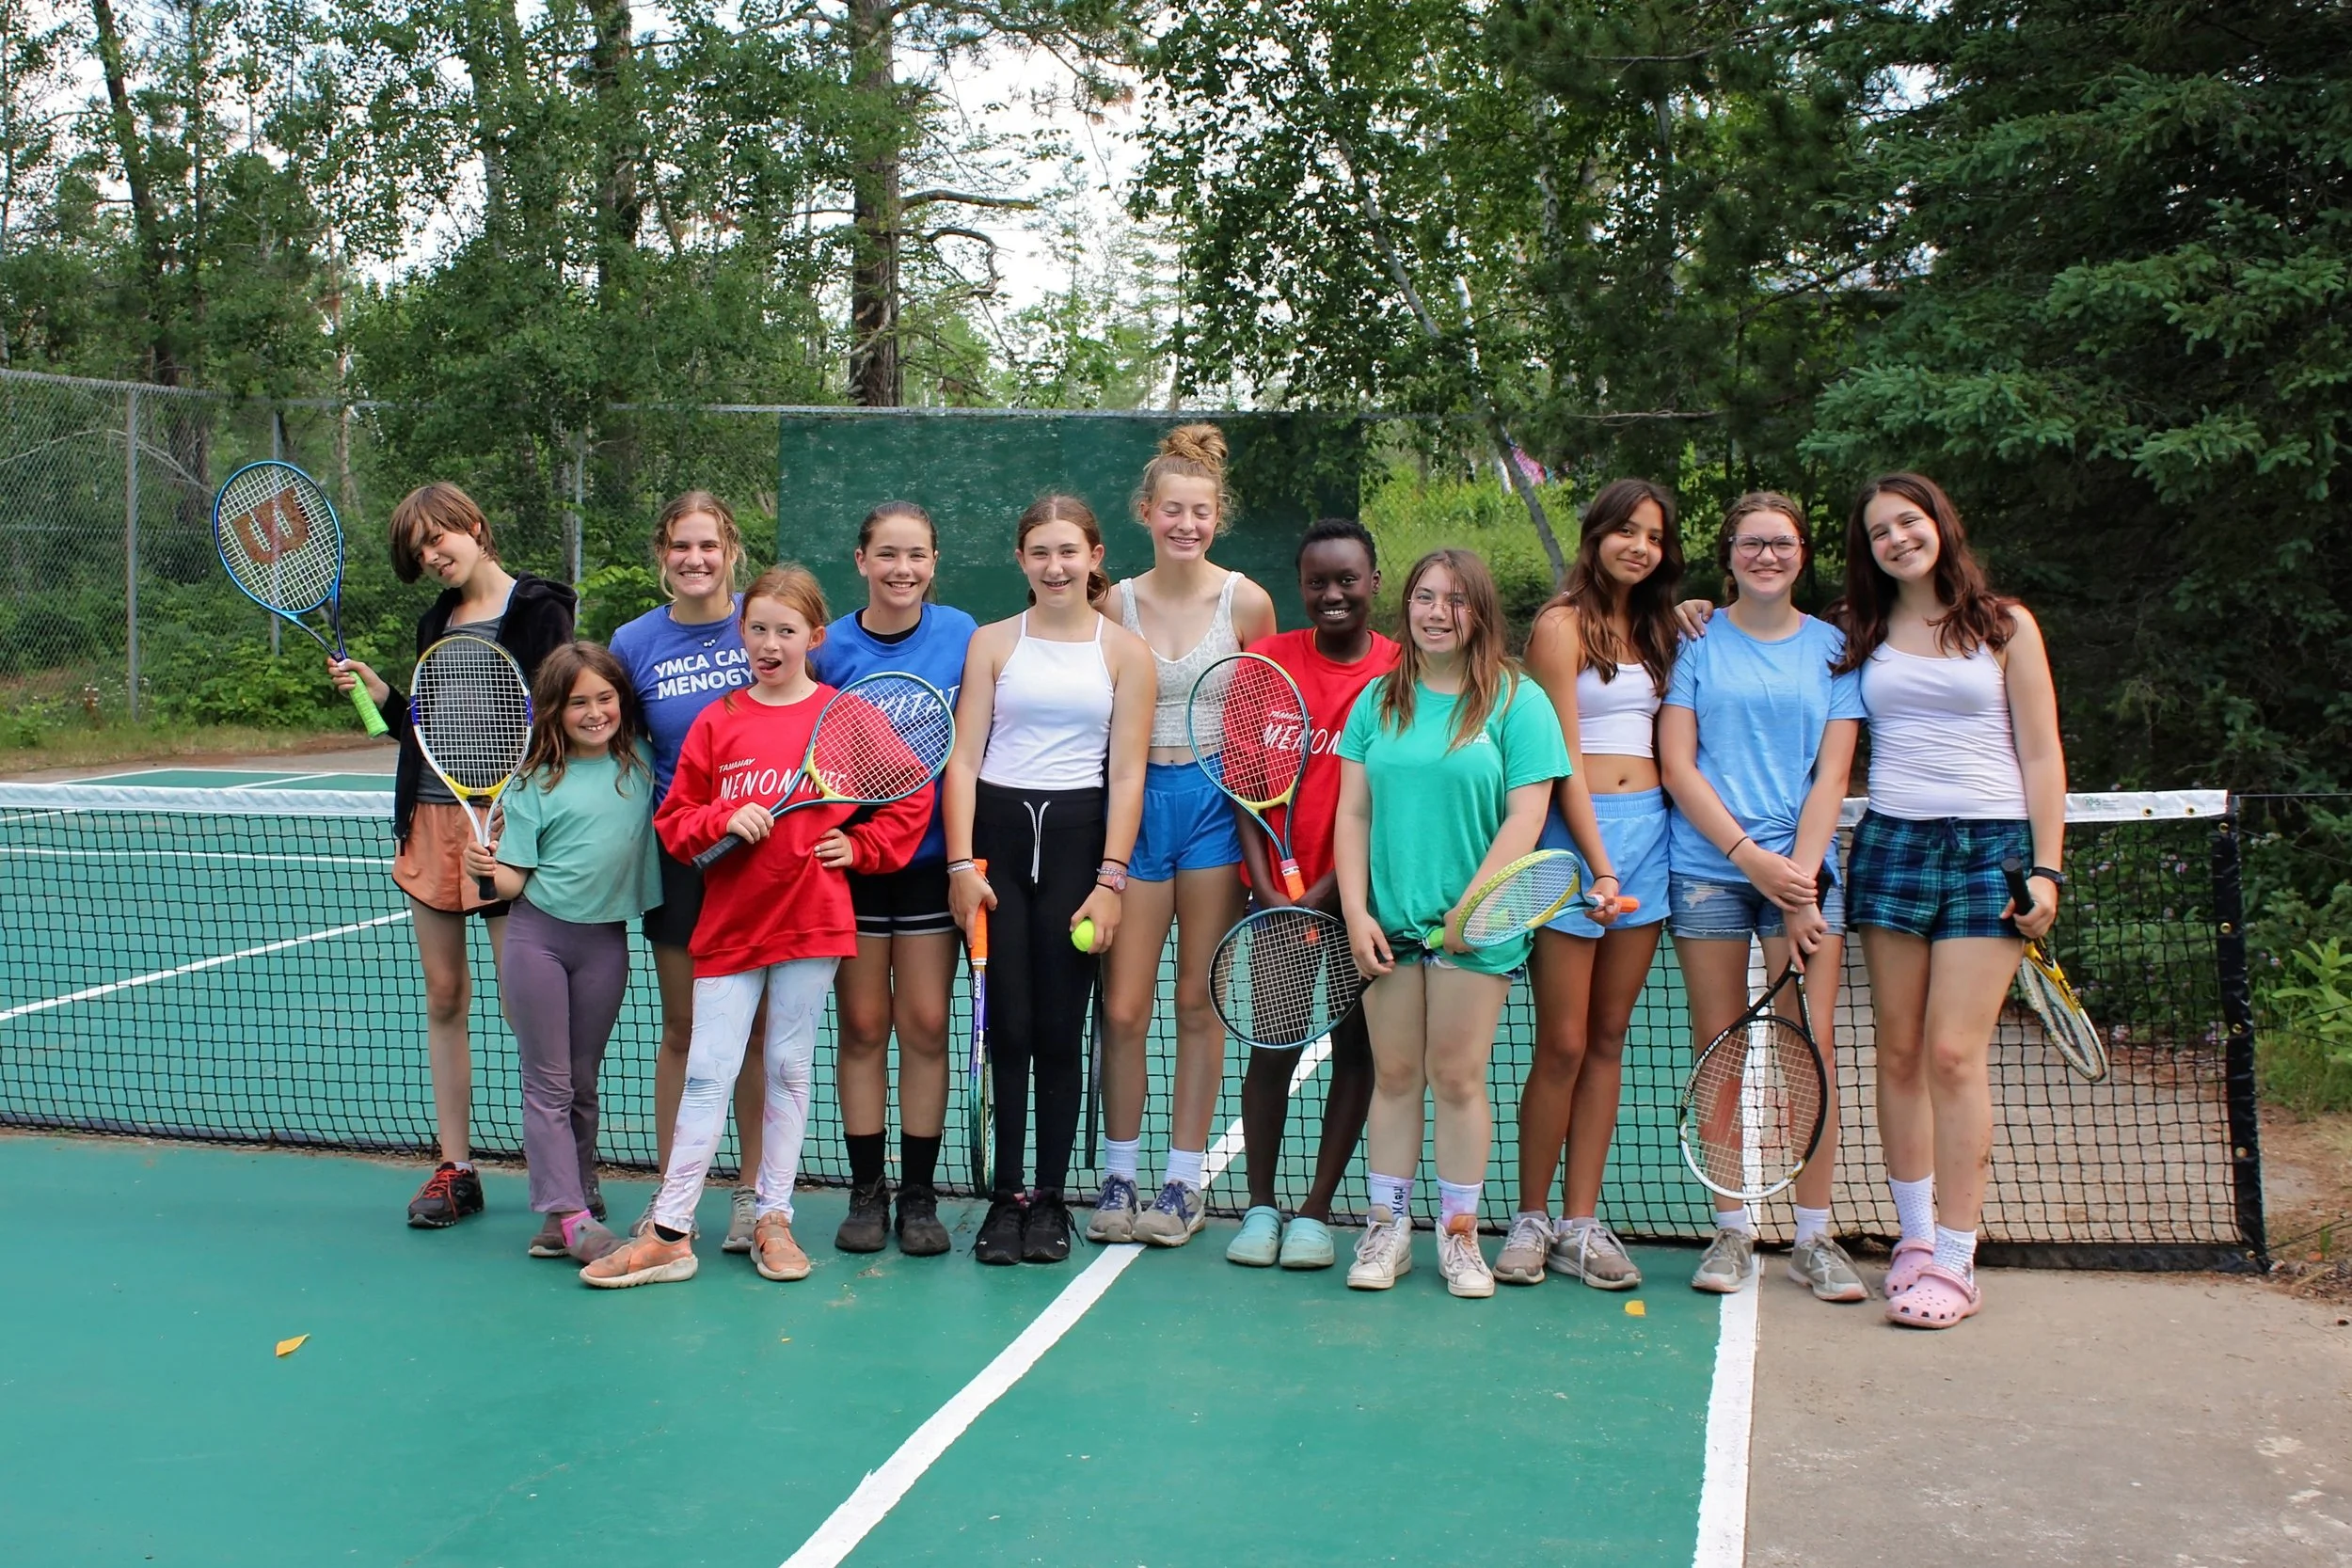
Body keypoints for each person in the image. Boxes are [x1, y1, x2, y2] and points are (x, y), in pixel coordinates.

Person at [582, 566, 930, 1289]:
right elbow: (676, 821)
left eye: (787, 630)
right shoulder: (720, 719)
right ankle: (673, 1230)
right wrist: (721, 817)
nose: (770, 644)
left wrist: (861, 848)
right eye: (759, 629)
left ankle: (774, 1217)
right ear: (742, 632)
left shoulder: (845, 715)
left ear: (814, 638)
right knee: (709, 1070)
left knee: (787, 1068)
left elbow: (909, 793)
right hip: (731, 922)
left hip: (812, 919)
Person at [1837, 473, 2065, 1329]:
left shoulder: (2006, 625)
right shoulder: (1859, 630)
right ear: (1870, 551)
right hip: (1892, 846)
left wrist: (2046, 870)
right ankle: (1918, 1239)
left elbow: (2042, 755)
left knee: (1951, 1056)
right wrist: (1694, 613)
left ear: (1939, 525)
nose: (1898, 537)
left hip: (1990, 852)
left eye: (1910, 520)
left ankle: (1960, 1259)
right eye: (1881, 531)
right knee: (1895, 1054)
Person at [1336, 549, 1589, 1299]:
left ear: (1480, 611)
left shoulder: (1518, 701)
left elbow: (1528, 814)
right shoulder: (1378, 702)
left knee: (1456, 1077)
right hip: (1388, 924)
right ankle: (1387, 1229)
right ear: (1405, 606)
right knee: (1395, 1075)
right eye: (1423, 596)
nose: (1436, 611)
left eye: (1454, 599)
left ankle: (1459, 1236)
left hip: (1477, 930)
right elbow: (1353, 812)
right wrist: (1356, 911)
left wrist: (1470, 911)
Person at [330, 483, 575, 1228]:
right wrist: (382, 695)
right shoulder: (434, 619)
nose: (434, 557)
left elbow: (555, 716)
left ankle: (562, 1170)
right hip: (432, 821)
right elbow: (430, 729)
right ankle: (455, 1167)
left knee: (522, 1004)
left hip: (505, 830)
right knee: (444, 995)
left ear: (475, 524)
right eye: (420, 551)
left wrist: (522, 823)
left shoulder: (540, 609)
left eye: (441, 539)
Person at [1659, 492, 1867, 1303]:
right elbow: (1679, 766)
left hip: (1800, 883)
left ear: (1803, 553)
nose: (1767, 556)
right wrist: (1750, 858)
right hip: (1708, 869)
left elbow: (1834, 773)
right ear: (1730, 553)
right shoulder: (1698, 643)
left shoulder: (1835, 648)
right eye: (1752, 543)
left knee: (1806, 1051)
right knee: (1720, 1050)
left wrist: (1799, 880)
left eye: (1782, 543)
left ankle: (1814, 1238)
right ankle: (1732, 1228)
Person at [943, 496, 1153, 1265]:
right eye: (1039, 551)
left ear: (1096, 555)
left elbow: (1127, 773)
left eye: (1069, 550)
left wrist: (1112, 877)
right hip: (997, 843)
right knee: (1012, 1030)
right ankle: (1005, 1199)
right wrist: (961, 866)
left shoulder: (1125, 653)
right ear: (1021, 559)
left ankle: (1053, 1200)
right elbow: (964, 759)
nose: (1055, 565)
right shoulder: (993, 643)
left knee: (1063, 1033)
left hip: (1077, 846)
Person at [1093, 425, 1279, 1247]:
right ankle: (1120, 1175)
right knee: (1124, 1007)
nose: (1186, 525)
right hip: (1133, 814)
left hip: (1214, 812)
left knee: (1198, 1001)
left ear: (1217, 517)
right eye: (1172, 511)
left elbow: (1269, 720)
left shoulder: (1247, 601)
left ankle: (1180, 1183)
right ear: (1146, 513)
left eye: (1200, 512)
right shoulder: (1113, 602)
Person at [1497, 479, 1684, 1290]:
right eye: (1626, 532)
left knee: (1610, 1039)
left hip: (1653, 833)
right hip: (1575, 842)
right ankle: (1530, 1217)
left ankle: (1581, 1221)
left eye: (1654, 536)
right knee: (1563, 1041)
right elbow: (1559, 757)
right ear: (1596, 534)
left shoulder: (1663, 627)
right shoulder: (1558, 626)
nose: (1639, 546)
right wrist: (1599, 863)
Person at [1224, 519, 1398, 1271]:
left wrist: (1327, 895)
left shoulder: (1402, 672)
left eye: (1347, 580)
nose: (1332, 594)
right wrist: (1268, 888)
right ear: (1301, 585)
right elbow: (1243, 784)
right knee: (1274, 1042)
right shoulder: (1265, 662)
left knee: (1359, 1051)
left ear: (1373, 583)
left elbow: (1392, 795)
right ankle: (1261, 1206)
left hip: (1365, 900)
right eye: (1318, 581)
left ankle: (1317, 1211)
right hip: (1273, 899)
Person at [808, 501, 978, 1257]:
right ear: (861, 560)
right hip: (849, 865)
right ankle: (865, 1190)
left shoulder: (963, 637)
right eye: (887, 554)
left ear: (934, 561)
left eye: (916, 555)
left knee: (927, 1025)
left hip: (931, 865)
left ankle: (919, 1193)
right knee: (863, 1027)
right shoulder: (830, 648)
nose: (901, 569)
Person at [462, 641, 662, 1265]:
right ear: (555, 709)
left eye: (605, 698)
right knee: (547, 1084)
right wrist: (483, 870)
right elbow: (513, 884)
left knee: (581, 1082)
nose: (595, 711)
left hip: (606, 943)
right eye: (579, 702)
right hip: (538, 941)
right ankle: (571, 1217)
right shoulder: (533, 783)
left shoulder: (643, 761)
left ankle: (568, 1204)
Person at [610, 492, 767, 1253]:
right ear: (662, 553)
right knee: (683, 1029)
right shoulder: (634, 642)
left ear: (731, 548)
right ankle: (676, 1198)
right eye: (681, 546)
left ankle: (755, 1197)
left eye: (708, 544)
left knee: (755, 1036)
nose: (695, 559)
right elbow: (607, 743)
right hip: (683, 857)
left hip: (765, 860)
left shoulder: (765, 624)